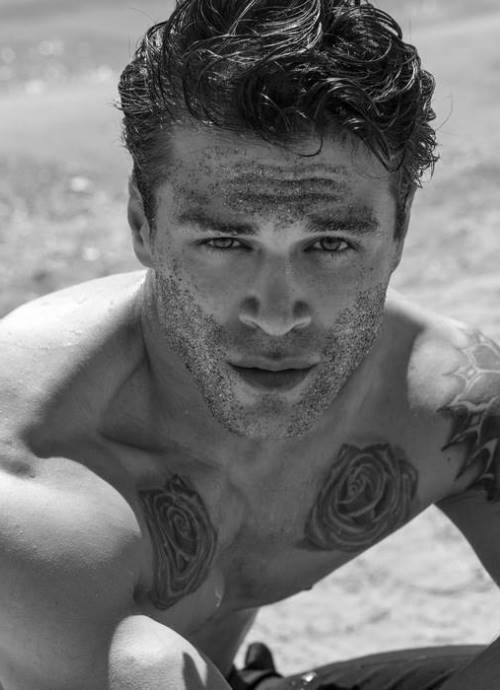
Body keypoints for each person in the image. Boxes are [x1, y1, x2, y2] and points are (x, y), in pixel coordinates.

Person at [0, 0, 499, 688]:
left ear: (398, 235)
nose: (276, 315)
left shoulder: (449, 402)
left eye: (331, 244)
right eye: (226, 243)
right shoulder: (31, 485)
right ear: (142, 224)